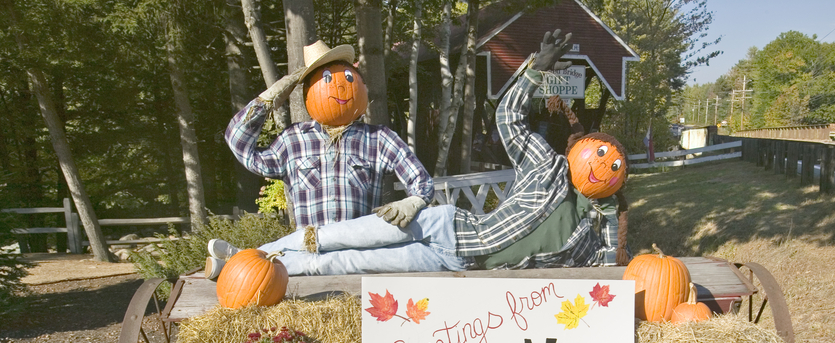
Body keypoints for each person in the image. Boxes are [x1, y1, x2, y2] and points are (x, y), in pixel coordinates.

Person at [209, 30, 630, 277]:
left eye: (614, 166)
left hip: (452, 263)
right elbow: (509, 118)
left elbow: (610, 268)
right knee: (332, 238)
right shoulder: (547, 166)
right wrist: (535, 72)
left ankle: (249, 268)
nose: (602, 165)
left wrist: (613, 211)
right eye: (600, 151)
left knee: (345, 263)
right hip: (447, 226)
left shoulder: (585, 242)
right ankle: (251, 261)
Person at [210, 41, 434, 277]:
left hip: (359, 254)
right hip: (309, 252)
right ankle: (244, 262)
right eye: (327, 80)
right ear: (309, 92)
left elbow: (421, 179)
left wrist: (414, 201)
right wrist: (268, 99)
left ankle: (241, 260)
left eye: (349, 79)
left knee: (288, 261)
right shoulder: (293, 140)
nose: (340, 88)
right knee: (298, 250)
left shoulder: (378, 139)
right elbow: (239, 144)